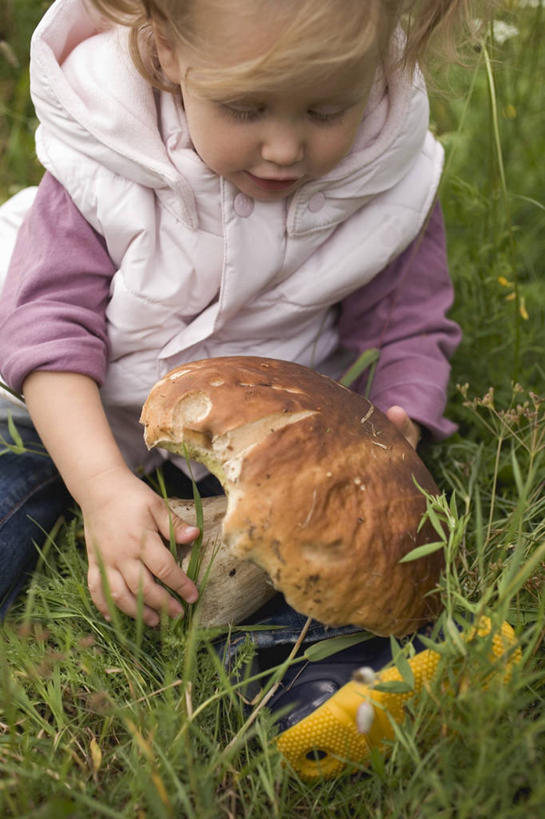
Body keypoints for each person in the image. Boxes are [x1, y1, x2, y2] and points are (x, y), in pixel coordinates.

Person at [0, 0, 477, 626]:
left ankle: (323, 691)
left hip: (256, 440)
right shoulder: (104, 161)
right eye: (246, 108)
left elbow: (406, 326)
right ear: (168, 50)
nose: (283, 148)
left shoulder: (387, 182)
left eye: (326, 110)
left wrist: (400, 417)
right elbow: (48, 325)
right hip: (57, 416)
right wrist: (101, 486)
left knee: (316, 566)